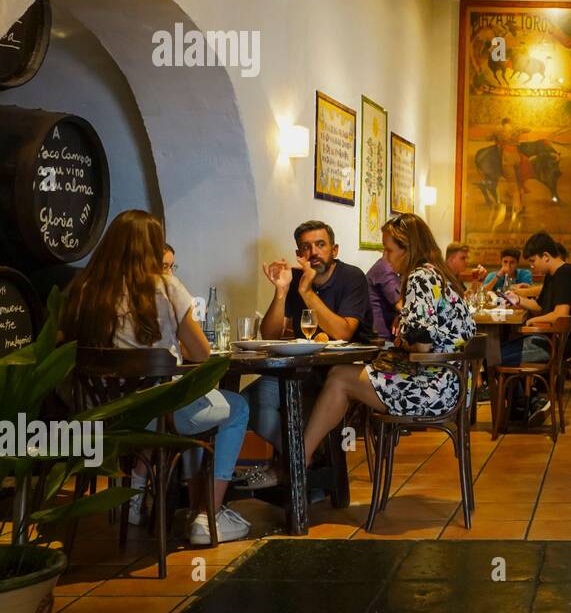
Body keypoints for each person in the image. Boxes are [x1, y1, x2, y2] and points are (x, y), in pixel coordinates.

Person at [61, 210, 250, 545]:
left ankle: (133, 500)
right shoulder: (165, 286)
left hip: (101, 416)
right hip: (155, 414)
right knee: (234, 407)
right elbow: (202, 354)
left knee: (165, 402)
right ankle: (209, 517)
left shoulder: (82, 290)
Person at [303, 214, 475, 470]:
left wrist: (405, 338)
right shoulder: (438, 274)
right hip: (456, 384)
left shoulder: (420, 277)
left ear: (409, 249)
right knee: (341, 376)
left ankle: (300, 461)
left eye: (389, 249)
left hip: (433, 388)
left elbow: (423, 344)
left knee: (339, 377)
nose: (385, 257)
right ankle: (311, 460)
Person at [247, 220, 371, 472]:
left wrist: (306, 291)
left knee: (271, 401)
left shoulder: (352, 277)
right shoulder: (294, 279)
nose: (313, 252)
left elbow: (343, 332)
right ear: (298, 254)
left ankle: (297, 463)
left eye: (320, 245)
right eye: (306, 247)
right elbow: (270, 332)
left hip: (336, 374)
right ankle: (304, 459)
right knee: (246, 403)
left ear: (334, 250)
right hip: (297, 370)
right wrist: (281, 292)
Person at [500, 231, 571, 424]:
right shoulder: (553, 274)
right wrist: (518, 299)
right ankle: (526, 405)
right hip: (550, 341)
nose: (531, 266)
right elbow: (541, 307)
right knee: (496, 353)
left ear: (546, 256)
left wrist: (530, 322)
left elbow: (560, 314)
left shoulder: (565, 274)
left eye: (533, 261)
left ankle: (526, 405)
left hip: (554, 346)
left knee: (494, 357)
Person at [366, 224, 402, 341]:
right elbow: (402, 306)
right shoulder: (384, 268)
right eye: (385, 248)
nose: (385, 255)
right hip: (382, 342)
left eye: (388, 249)